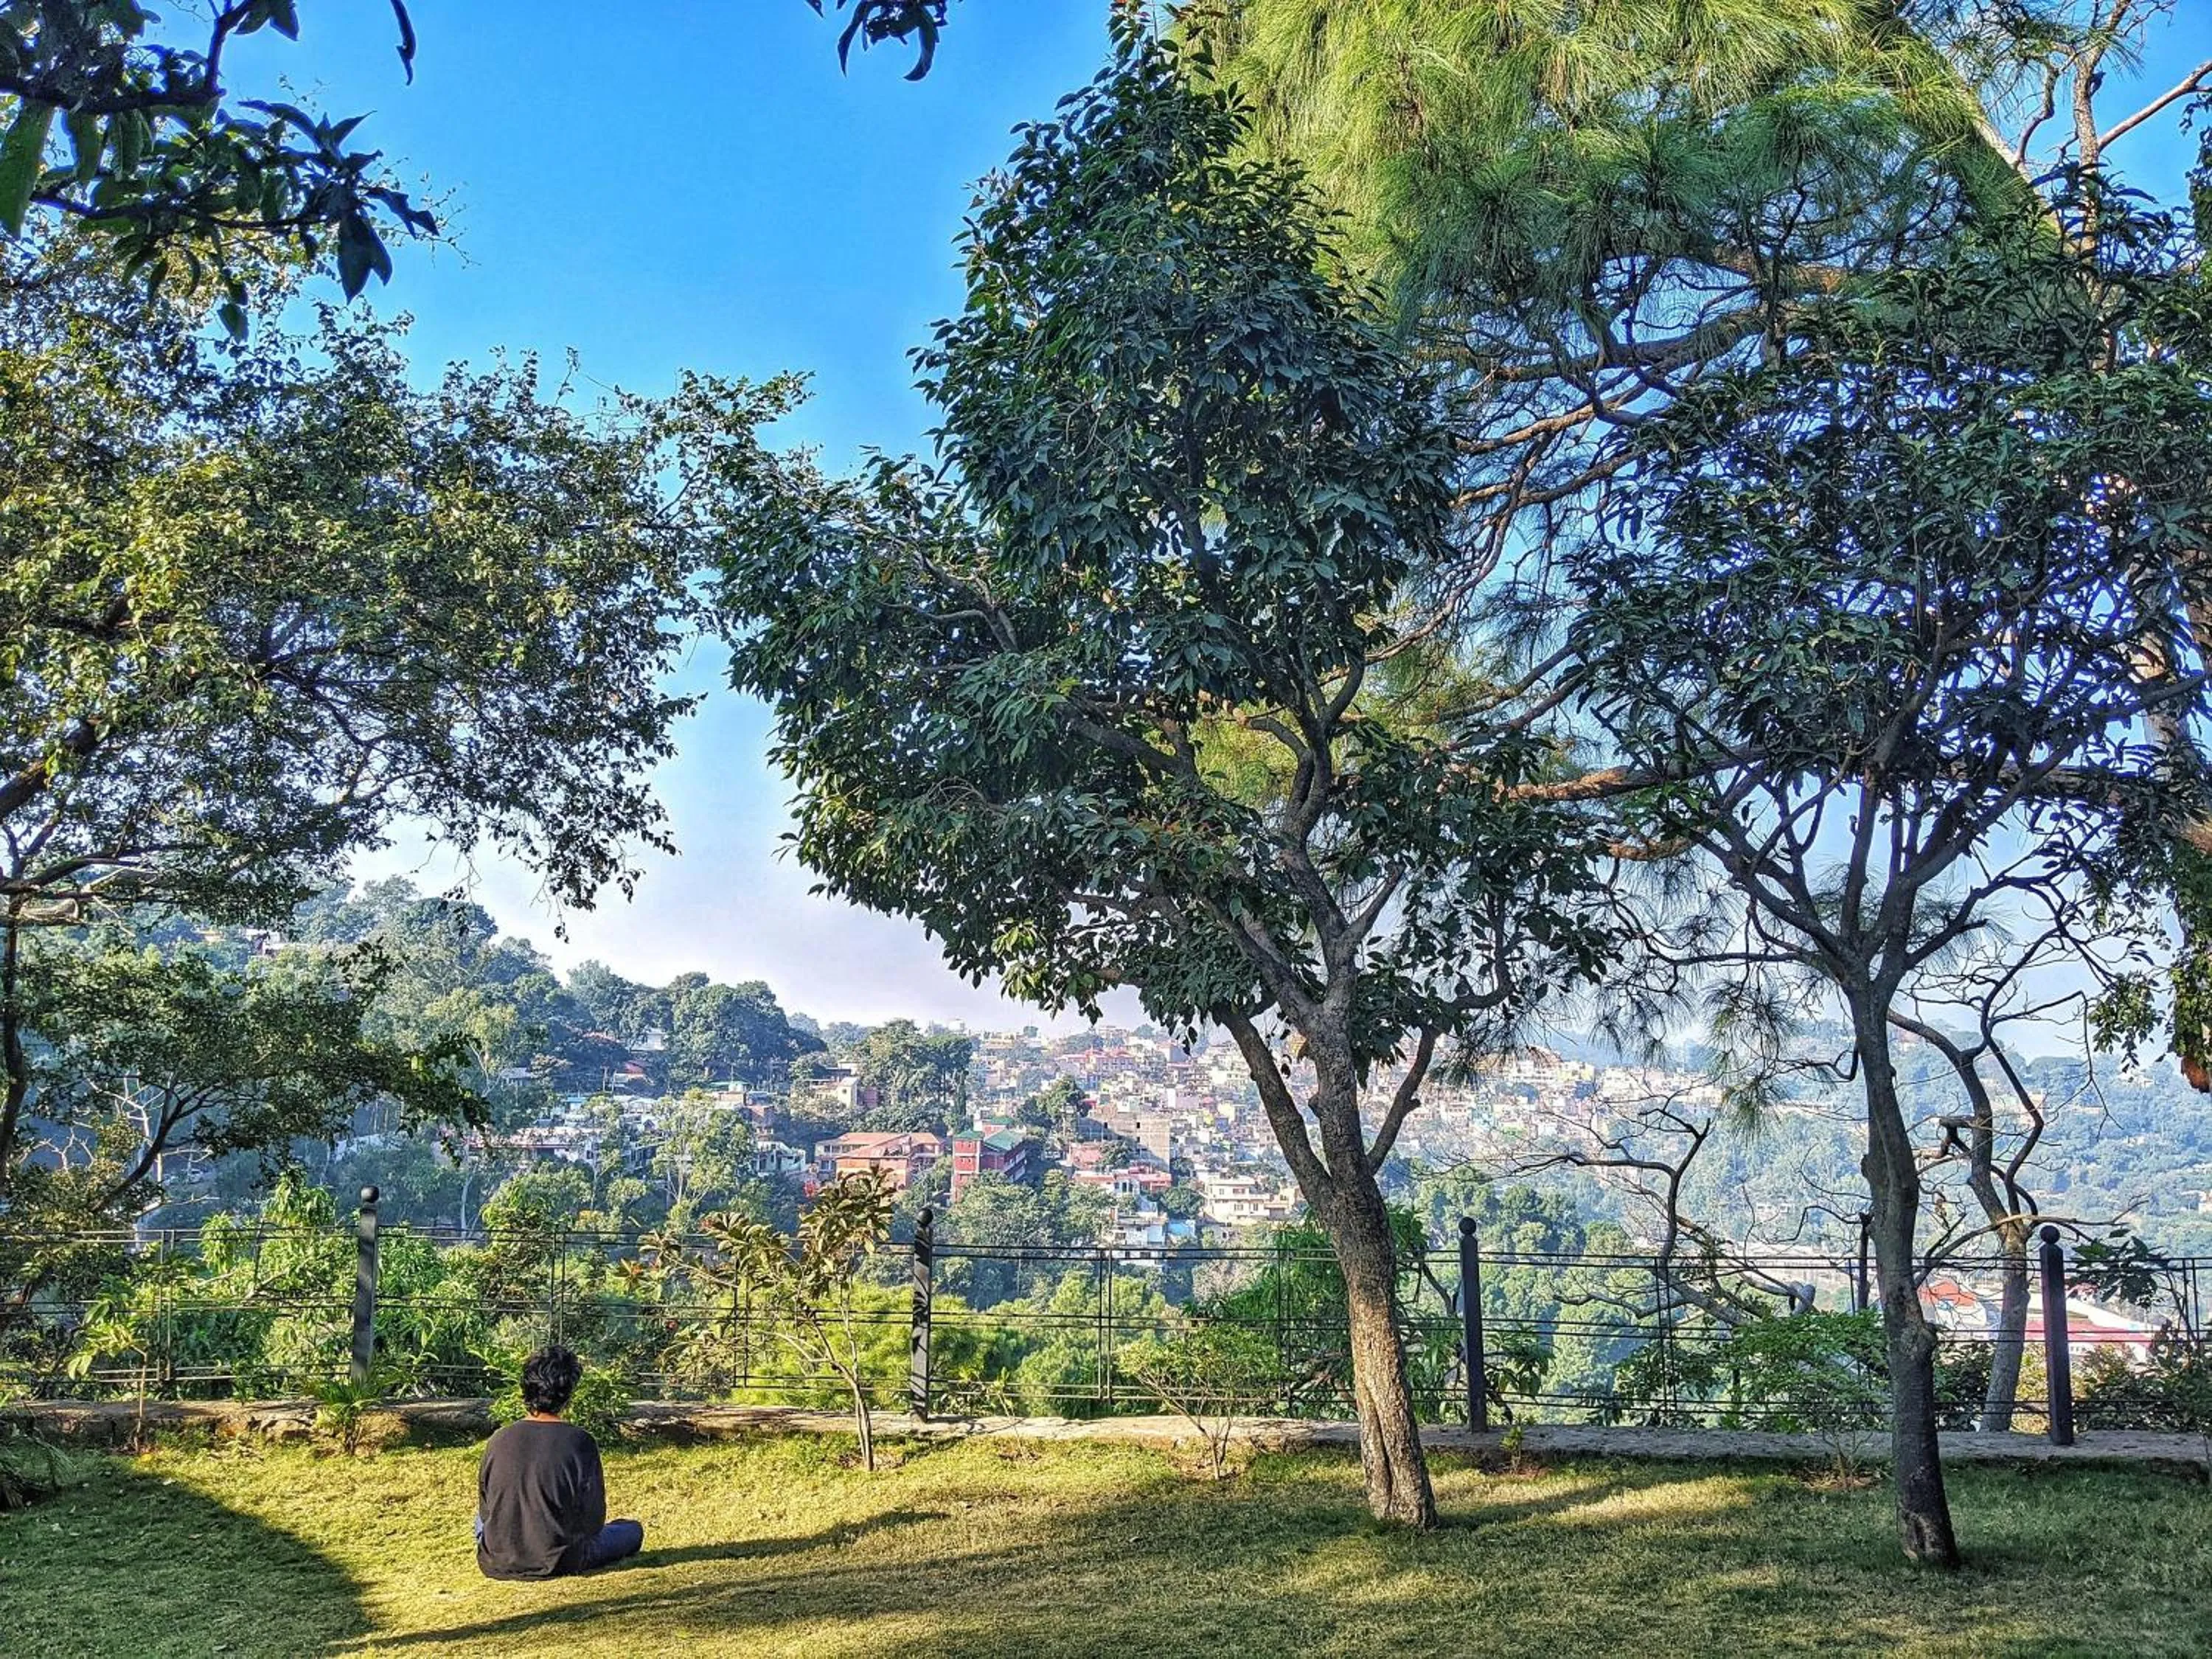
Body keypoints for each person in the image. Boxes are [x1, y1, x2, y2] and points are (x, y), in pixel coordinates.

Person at [475, 1345, 644, 1579]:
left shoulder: (498, 1439)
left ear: (525, 1389)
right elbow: (593, 1521)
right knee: (632, 1531)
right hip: (560, 1559)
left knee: (482, 1522)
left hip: (496, 1558)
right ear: (568, 1393)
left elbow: (485, 1511)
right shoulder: (580, 1442)